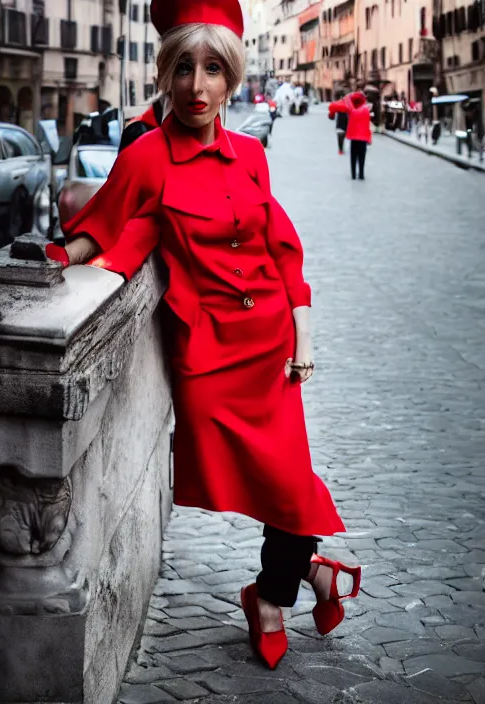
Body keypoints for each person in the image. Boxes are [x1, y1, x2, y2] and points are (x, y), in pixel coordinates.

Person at [46, 0, 360, 671]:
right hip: (210, 356)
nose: (197, 85)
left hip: (271, 344)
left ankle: (270, 597)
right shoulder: (147, 156)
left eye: (213, 68)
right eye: (184, 67)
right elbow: (111, 232)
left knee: (288, 479)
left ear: (232, 77)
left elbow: (283, 248)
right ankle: (312, 574)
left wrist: (304, 336)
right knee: (275, 480)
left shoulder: (250, 154)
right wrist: (57, 259)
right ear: (164, 73)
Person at [329, 92, 372, 180]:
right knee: (362, 157)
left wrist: (345, 99)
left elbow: (332, 106)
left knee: (353, 157)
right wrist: (369, 139)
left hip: (354, 138)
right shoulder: (366, 109)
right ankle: (361, 174)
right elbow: (368, 126)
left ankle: (353, 174)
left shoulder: (350, 109)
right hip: (363, 138)